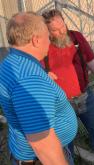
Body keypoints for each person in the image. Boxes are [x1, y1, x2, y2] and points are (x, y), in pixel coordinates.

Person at [0, 12, 77, 165]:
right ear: (36, 40)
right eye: (47, 36)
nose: (49, 41)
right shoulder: (29, 78)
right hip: (40, 159)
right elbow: (42, 143)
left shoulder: (13, 61)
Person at [42, 9, 94, 164]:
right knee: (66, 137)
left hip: (85, 95)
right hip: (61, 103)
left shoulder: (76, 37)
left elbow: (91, 62)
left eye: (62, 26)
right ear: (46, 31)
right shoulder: (43, 46)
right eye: (55, 30)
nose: (61, 32)